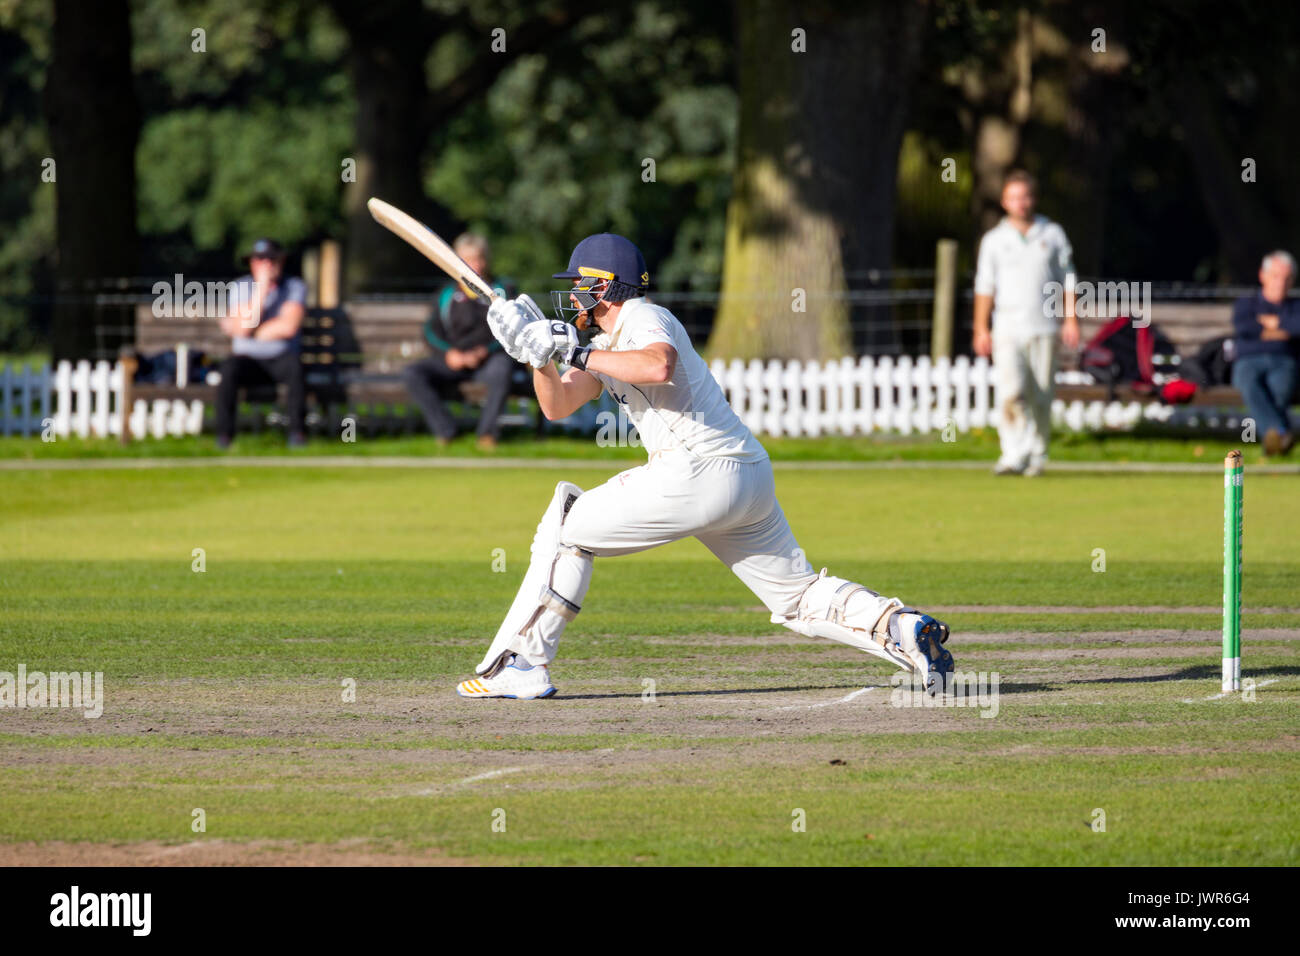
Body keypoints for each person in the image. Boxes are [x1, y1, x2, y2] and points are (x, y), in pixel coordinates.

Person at [452, 233, 956, 700]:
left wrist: (571, 346)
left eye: (578, 286)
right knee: (796, 597)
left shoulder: (646, 318)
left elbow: (656, 366)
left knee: (568, 523)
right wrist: (532, 355)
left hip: (696, 472)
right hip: (745, 476)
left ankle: (522, 662)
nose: (572, 298)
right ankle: (903, 628)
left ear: (602, 288)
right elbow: (557, 406)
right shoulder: (603, 347)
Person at [973, 170, 1079, 476]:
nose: (1021, 203)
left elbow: (1068, 280)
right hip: (1007, 327)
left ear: (1033, 199)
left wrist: (1070, 319)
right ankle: (1012, 454)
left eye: (1026, 196)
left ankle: (1036, 455)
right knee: (1011, 392)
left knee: (1042, 394)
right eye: (1014, 197)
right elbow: (985, 286)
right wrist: (981, 328)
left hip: (1045, 326)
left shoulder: (1052, 233)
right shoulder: (994, 240)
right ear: (1005, 201)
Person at [402, 234, 515, 451]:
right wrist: (450, 355)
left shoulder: (502, 291)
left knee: (502, 370)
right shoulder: (445, 294)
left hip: (489, 360)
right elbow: (430, 331)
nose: (476, 265)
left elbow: (511, 330)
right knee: (413, 373)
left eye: (480, 258)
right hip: (453, 361)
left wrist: (484, 351)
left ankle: (487, 435)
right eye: (469, 259)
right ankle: (446, 432)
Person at [215, 238, 307, 448]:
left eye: (270, 260)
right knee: (228, 370)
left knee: (295, 369)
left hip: (280, 358)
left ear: (280, 262)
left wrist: (250, 331)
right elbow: (244, 328)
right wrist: (262, 289)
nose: (265, 265)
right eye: (260, 261)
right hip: (248, 360)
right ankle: (224, 437)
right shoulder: (240, 287)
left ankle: (297, 435)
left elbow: (288, 327)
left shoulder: (294, 287)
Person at [1231, 251, 1300, 456]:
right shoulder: (1246, 303)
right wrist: (1283, 330)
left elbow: (1297, 328)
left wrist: (1272, 324)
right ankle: (1280, 434)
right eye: (1276, 276)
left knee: (1278, 393)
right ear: (1263, 275)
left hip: (1284, 361)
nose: (1281, 283)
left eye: (1287, 278)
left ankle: (1274, 441)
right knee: (1248, 383)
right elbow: (1245, 328)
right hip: (1248, 360)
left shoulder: (1296, 306)